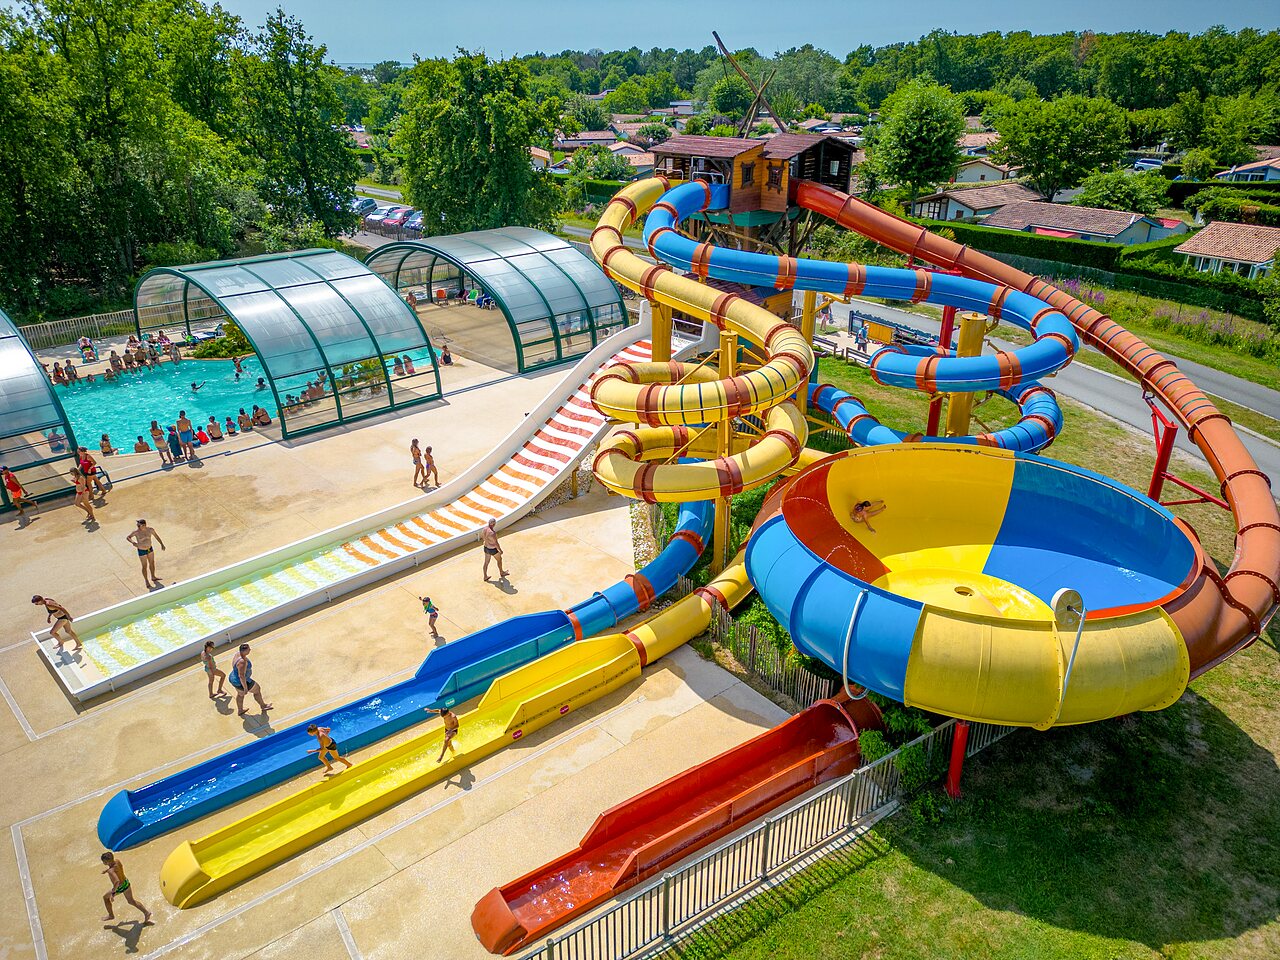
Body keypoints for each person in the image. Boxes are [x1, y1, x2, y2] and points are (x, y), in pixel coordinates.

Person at [100, 851, 151, 925]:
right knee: (131, 901)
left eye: (103, 861)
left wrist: (113, 893)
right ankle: (146, 912)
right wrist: (107, 870)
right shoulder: (117, 861)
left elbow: (117, 881)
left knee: (105, 898)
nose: (103, 863)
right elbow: (116, 868)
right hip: (126, 883)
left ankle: (111, 915)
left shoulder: (111, 871)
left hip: (120, 887)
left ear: (106, 862)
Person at [228, 643, 272, 716]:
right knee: (257, 690)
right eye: (248, 649)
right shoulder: (242, 662)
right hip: (241, 682)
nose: (250, 650)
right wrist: (245, 688)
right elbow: (241, 676)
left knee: (240, 694)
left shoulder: (237, 654)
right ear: (244, 651)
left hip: (233, 678)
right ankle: (263, 706)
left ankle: (240, 710)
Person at [126, 518, 166, 588]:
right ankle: (146, 581)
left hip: (149, 549)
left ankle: (153, 577)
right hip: (141, 550)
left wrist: (161, 544)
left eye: (139, 525)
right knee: (144, 566)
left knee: (152, 562)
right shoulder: (136, 532)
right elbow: (128, 537)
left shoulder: (150, 530)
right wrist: (133, 542)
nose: (138, 527)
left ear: (144, 525)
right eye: (137, 525)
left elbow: (156, 536)